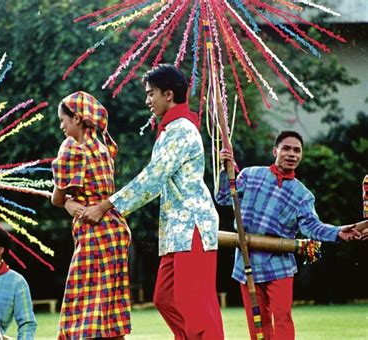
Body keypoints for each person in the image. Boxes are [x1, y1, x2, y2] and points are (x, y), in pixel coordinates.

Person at [82, 64, 224, 339]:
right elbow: (155, 182)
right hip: (175, 232)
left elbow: (152, 178)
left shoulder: (181, 129)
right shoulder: (170, 130)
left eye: (151, 94)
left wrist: (105, 206)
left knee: (195, 304)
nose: (147, 101)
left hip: (192, 227)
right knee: (164, 298)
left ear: (168, 94)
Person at [215, 130, 366, 340]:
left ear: (301, 156)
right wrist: (225, 169)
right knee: (257, 321)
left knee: (282, 317)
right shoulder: (250, 175)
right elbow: (223, 197)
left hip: (280, 265)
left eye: (297, 150)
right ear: (275, 150)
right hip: (247, 262)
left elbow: (313, 227)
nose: (291, 154)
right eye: (286, 148)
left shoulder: (303, 195)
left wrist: (338, 232)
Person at [51, 91, 132, 339]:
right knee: (109, 310)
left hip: (93, 232)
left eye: (62, 120)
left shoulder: (71, 147)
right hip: (115, 231)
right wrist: (70, 203)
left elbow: (56, 198)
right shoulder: (103, 147)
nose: (62, 126)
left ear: (76, 118)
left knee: (80, 309)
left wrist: (67, 204)